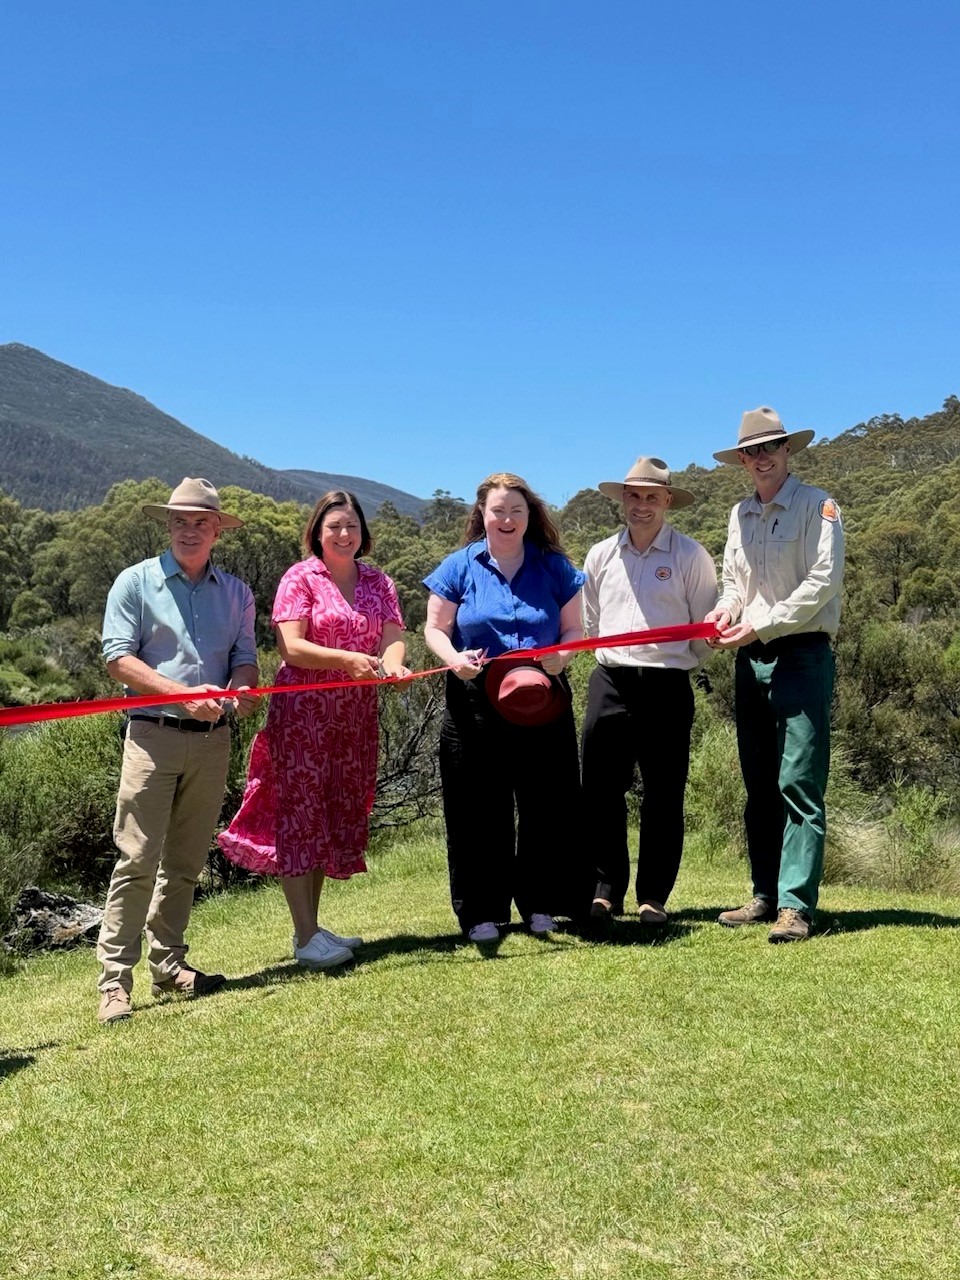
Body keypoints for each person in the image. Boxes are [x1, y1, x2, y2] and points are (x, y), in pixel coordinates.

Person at [218, 490, 408, 970]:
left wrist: (393, 667)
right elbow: (292, 648)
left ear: (363, 532)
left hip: (354, 719)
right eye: (334, 527)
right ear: (317, 533)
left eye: (352, 526)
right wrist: (348, 660)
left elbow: (393, 641)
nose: (344, 535)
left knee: (326, 816)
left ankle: (314, 928)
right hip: (302, 718)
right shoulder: (299, 577)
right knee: (300, 818)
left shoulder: (379, 582)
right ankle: (305, 938)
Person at [97, 478, 258, 1025]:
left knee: (186, 863)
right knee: (136, 859)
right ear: (167, 527)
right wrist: (185, 697)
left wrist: (237, 696)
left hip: (212, 744)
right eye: (179, 522)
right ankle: (114, 984)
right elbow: (118, 659)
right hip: (152, 736)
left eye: (200, 522)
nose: (189, 531)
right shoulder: (135, 583)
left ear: (218, 530)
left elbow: (245, 662)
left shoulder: (237, 593)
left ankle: (169, 967)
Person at [423, 472, 588, 943]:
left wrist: (565, 653)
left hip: (544, 699)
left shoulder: (554, 566)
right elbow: (435, 627)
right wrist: (454, 659)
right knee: (477, 809)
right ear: (482, 514)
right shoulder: (459, 566)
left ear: (530, 515)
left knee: (546, 805)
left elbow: (574, 629)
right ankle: (481, 912)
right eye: (499, 510)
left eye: (517, 510)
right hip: (474, 702)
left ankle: (541, 904)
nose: (508, 518)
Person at [706, 407, 844, 942]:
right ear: (742, 460)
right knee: (759, 782)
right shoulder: (739, 514)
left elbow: (823, 583)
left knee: (799, 782)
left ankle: (796, 906)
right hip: (751, 656)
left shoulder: (819, 506)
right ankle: (765, 896)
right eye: (751, 451)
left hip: (802, 652)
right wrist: (726, 611)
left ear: (788, 451)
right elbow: (733, 583)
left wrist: (758, 624)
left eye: (771, 447)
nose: (761, 457)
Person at [582, 457, 717, 925]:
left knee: (664, 793)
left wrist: (673, 663)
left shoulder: (690, 555)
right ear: (623, 500)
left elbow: (705, 631)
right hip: (610, 681)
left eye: (652, 497)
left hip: (666, 685)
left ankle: (653, 897)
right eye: (634, 496)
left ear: (667, 502)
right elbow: (593, 622)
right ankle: (605, 891)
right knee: (600, 789)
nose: (642, 505)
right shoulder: (600, 554)